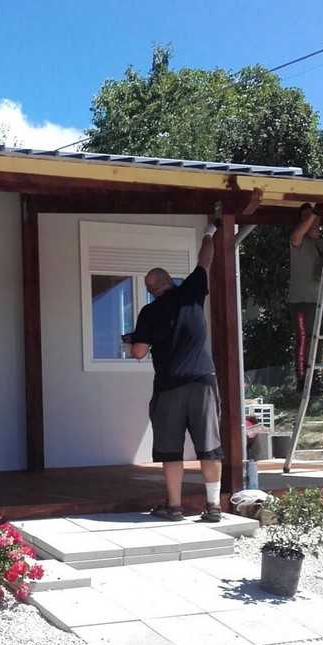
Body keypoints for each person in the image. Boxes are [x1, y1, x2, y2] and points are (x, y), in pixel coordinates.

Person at [124, 220, 224, 523]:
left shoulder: (150, 312)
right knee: (210, 447)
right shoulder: (193, 289)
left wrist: (129, 345)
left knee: (170, 450)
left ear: (151, 290)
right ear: (170, 281)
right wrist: (209, 232)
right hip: (204, 382)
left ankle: (175, 507)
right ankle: (214, 506)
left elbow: (140, 352)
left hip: (169, 388)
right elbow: (205, 259)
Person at [288, 202, 323, 397]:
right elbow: (297, 234)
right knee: (305, 340)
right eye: (306, 217)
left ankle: (315, 379)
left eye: (313, 217)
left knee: (320, 343)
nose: (311, 220)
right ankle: (302, 380)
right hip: (302, 302)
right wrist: (313, 212)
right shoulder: (298, 242)